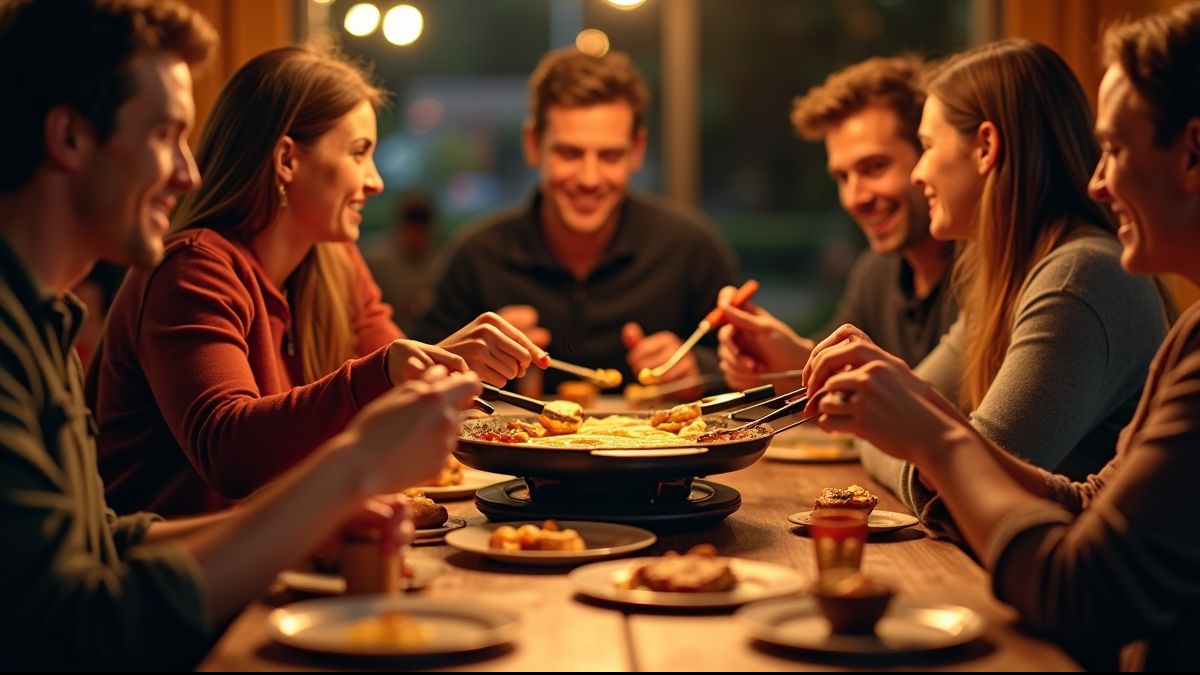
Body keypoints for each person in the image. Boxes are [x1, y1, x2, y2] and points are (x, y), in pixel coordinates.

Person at [0, 0, 480, 669]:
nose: (188, 172)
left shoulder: (43, 322)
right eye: (165, 135)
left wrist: (310, 520)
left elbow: (108, 540)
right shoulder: (188, 265)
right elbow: (69, 627)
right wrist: (345, 475)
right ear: (71, 138)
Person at [803, 4, 1200, 669]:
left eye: (1116, 148)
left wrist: (935, 440)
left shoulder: (1081, 274)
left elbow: (1078, 587)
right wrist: (916, 411)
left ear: (1192, 154)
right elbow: (1084, 501)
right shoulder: (1185, 324)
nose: (1098, 180)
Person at [87, 45, 545, 517]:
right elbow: (230, 457)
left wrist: (456, 370)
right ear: (287, 159)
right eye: (358, 153)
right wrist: (390, 369)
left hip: (283, 553)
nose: (375, 182)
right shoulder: (193, 268)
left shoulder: (334, 262)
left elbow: (404, 407)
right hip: (182, 573)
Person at [799, 39, 1171, 530]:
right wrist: (894, 428)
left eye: (928, 148)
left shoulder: (1077, 278)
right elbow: (920, 441)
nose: (919, 172)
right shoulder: (1009, 276)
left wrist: (895, 437)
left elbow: (955, 493)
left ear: (986, 148)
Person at [416, 47, 737, 396]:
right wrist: (471, 363)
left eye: (610, 156)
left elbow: (747, 369)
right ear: (533, 144)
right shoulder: (477, 255)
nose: (589, 178)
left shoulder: (689, 247)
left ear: (638, 150)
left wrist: (698, 369)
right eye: (569, 153)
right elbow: (418, 381)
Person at [718, 56, 957, 394]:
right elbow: (835, 378)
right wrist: (771, 356)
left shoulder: (986, 275)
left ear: (926, 154)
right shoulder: (876, 273)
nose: (854, 198)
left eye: (874, 167)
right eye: (843, 177)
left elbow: (954, 426)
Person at [363, 190, 439, 333]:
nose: (415, 238)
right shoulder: (375, 260)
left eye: (420, 231)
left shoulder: (438, 264)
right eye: (412, 230)